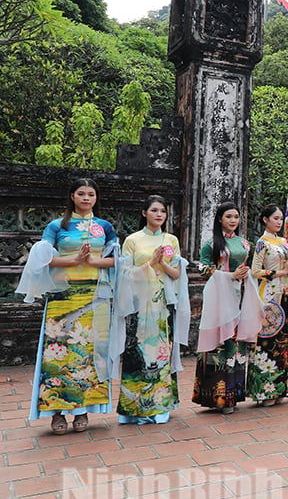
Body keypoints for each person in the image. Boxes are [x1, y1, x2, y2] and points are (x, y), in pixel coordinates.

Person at [17, 178, 120, 434]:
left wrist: (94, 262)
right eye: (81, 194)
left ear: (96, 198)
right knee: (57, 352)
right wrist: (74, 259)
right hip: (62, 296)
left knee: (91, 352)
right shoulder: (57, 226)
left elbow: (118, 261)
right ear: (72, 196)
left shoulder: (105, 226)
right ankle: (57, 411)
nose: (86, 198)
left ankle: (83, 410)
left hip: (96, 296)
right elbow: (43, 258)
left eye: (91, 194)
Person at [117, 195, 189, 424]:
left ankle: (159, 406)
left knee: (161, 353)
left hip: (162, 305)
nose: (159, 215)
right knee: (136, 353)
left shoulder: (171, 240)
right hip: (139, 303)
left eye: (163, 212)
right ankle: (133, 407)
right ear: (144, 213)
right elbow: (125, 275)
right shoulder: (132, 240)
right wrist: (149, 264)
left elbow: (177, 275)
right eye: (155, 210)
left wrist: (162, 263)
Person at [194, 201, 262, 414]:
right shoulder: (211, 244)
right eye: (228, 217)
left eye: (236, 217)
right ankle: (215, 396)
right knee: (219, 344)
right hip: (219, 299)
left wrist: (243, 275)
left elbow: (247, 267)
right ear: (220, 219)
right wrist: (228, 276)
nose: (233, 220)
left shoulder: (244, 244)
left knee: (236, 344)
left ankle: (232, 396)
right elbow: (202, 268)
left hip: (240, 296)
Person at [248, 205, 288, 406]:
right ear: (265, 219)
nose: (279, 222)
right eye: (275, 218)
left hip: (284, 293)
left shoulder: (284, 242)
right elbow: (255, 271)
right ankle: (263, 392)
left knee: (283, 341)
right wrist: (281, 273)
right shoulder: (262, 243)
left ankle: (279, 388)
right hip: (268, 294)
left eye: (280, 219)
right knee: (267, 340)